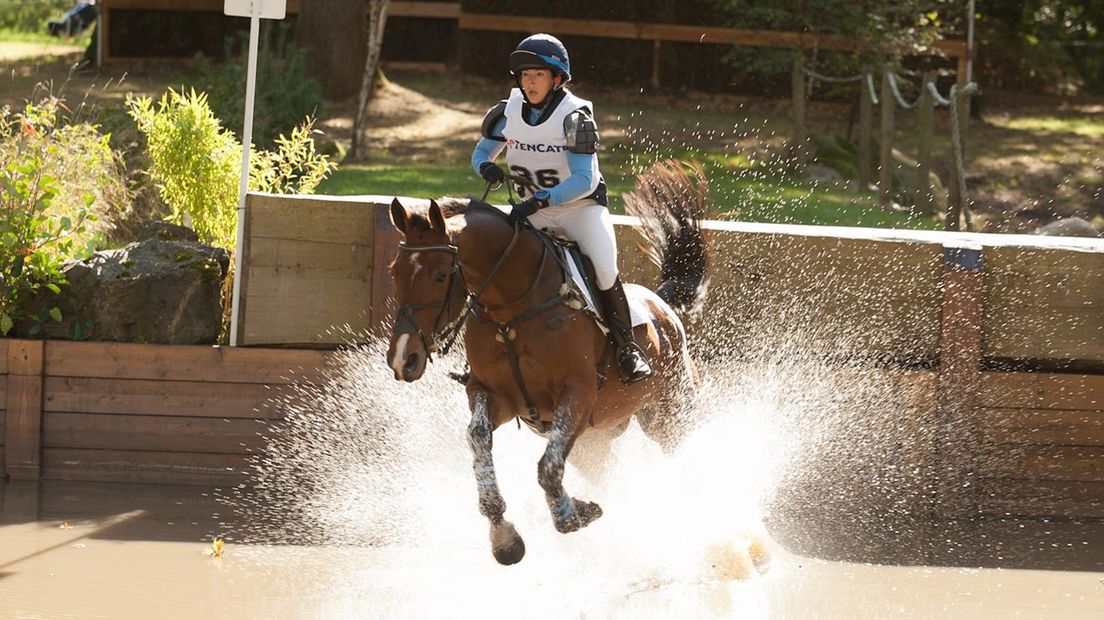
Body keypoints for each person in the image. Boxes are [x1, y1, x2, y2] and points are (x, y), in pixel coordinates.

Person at [470, 33, 652, 384]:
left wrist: (541, 199)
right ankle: (485, 355)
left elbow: (585, 179)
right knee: (498, 267)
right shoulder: (507, 113)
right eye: (525, 75)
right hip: (532, 211)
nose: (529, 82)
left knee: (603, 269)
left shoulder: (575, 117)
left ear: (556, 78)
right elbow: (481, 153)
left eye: (537, 74)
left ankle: (627, 348)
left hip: (579, 211)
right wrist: (487, 167)